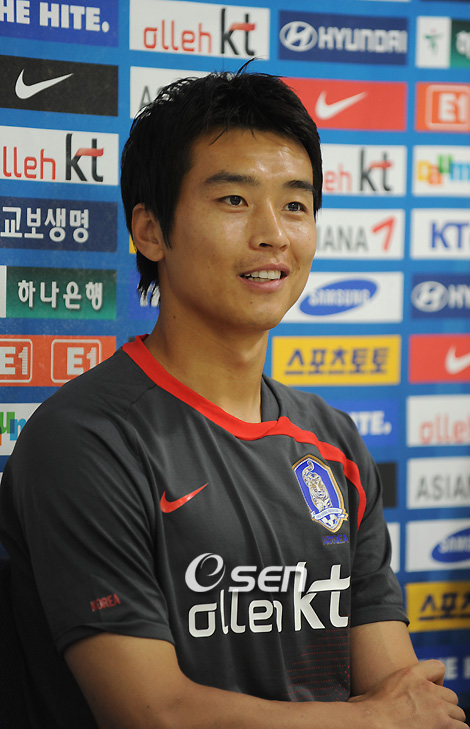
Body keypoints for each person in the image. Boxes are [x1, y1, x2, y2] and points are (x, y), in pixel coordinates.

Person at [0, 68, 466, 729]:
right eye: (234, 200)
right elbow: (151, 712)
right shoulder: (85, 439)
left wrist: (391, 713)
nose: (273, 233)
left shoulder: (333, 441)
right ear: (150, 230)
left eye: (296, 205)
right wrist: (373, 720)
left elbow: (403, 690)